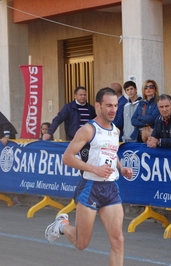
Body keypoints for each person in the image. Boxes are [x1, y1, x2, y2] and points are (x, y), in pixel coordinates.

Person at [44, 87, 133, 266]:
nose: (113, 109)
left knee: (118, 241)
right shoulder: (87, 130)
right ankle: (61, 225)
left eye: (115, 105)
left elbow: (111, 152)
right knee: (82, 243)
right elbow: (67, 158)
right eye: (109, 105)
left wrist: (121, 168)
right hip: (90, 187)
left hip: (110, 189)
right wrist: (95, 169)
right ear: (98, 106)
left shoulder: (115, 130)